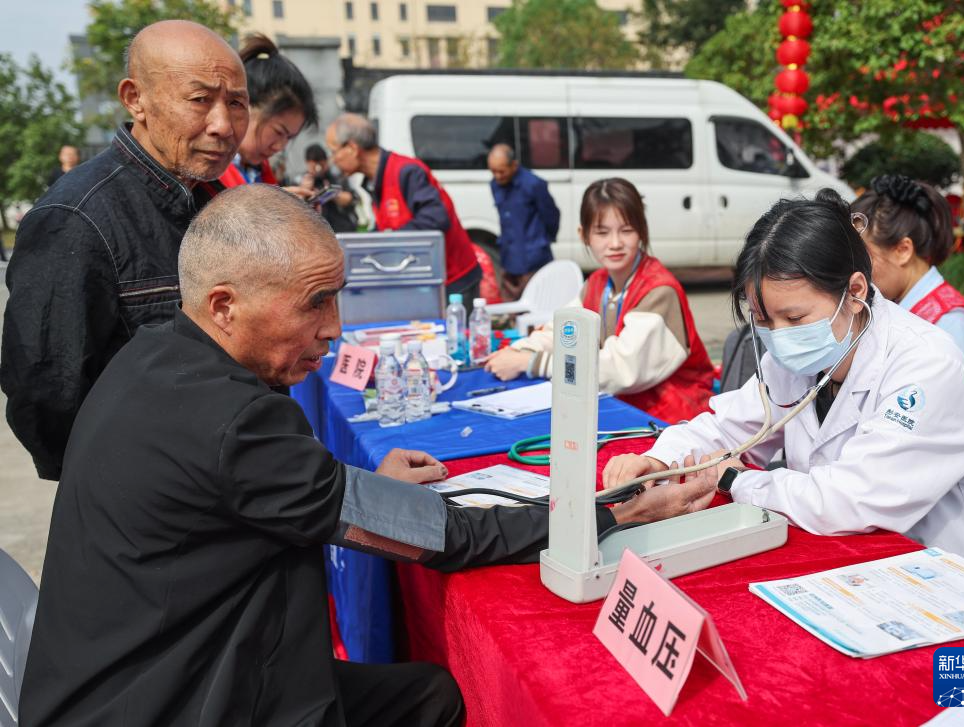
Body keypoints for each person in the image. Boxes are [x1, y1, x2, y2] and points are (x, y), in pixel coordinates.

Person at [19, 184, 684, 726]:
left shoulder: (152, 354)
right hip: (181, 697)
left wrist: (352, 483)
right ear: (225, 305)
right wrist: (603, 511)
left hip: (118, 679)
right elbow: (441, 534)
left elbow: (259, 488)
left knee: (426, 695)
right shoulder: (237, 419)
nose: (334, 328)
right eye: (315, 302)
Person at [602, 189, 964, 578]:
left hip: (959, 580)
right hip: (853, 566)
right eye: (764, 320)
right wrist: (660, 461)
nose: (778, 335)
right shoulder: (804, 353)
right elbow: (731, 427)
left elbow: (852, 499)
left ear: (854, 292)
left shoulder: (925, 365)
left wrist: (733, 480)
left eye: (794, 319)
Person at [1, 20, 248, 480]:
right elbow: (46, 398)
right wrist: (125, 488)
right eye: (200, 100)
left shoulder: (212, 199)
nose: (223, 125)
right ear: (136, 99)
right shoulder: (75, 218)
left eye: (237, 103)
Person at [485, 178, 714, 423]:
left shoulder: (659, 290)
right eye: (602, 232)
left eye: (626, 230)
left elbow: (620, 369)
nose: (615, 244)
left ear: (642, 231)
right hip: (621, 404)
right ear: (584, 235)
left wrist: (531, 362)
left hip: (671, 415)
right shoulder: (597, 282)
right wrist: (518, 351)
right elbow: (561, 332)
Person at [327, 113, 482, 311]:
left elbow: (435, 219)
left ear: (352, 148)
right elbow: (386, 226)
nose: (333, 160)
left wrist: (388, 240)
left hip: (453, 280)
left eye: (333, 152)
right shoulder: (374, 181)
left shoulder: (407, 171)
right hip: (422, 277)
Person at [852, 174, 964, 395]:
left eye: (864, 257)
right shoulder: (893, 306)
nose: (855, 270)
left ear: (903, 251)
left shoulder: (950, 322)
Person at [217, 34, 315, 200]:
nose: (280, 147)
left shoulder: (260, 170)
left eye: (289, 138)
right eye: (278, 132)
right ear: (243, 106)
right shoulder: (207, 168)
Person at [487, 143, 560, 300]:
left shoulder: (533, 184)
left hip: (533, 258)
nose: (498, 176)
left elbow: (551, 215)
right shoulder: (495, 185)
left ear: (514, 165)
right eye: (493, 171)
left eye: (501, 171)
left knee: (537, 305)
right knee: (512, 309)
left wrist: (542, 240)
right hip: (509, 257)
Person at [303, 142, 359, 232]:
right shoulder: (301, 180)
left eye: (322, 164)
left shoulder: (338, 178)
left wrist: (332, 194)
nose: (319, 169)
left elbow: (353, 199)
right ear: (307, 163)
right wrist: (304, 191)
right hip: (314, 232)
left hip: (340, 229)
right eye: (314, 165)